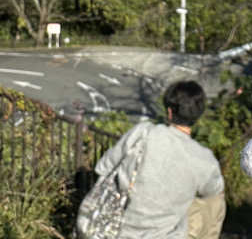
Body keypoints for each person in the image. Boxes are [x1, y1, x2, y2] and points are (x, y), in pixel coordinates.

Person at [94, 80, 225, 239]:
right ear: (198, 115)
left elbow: (102, 167)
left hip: (114, 230)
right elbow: (213, 191)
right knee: (214, 201)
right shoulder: (204, 159)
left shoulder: (143, 133)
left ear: (169, 112)